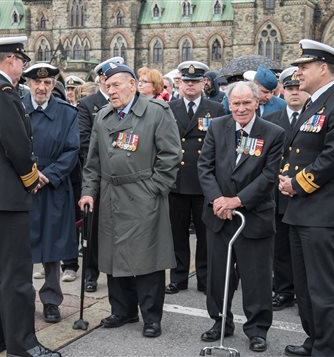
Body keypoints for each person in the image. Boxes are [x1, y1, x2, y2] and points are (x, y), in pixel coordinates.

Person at [0, 36, 60, 357]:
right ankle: (24, 346)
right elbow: (17, 145)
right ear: (10, 59)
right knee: (16, 274)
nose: (23, 67)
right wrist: (31, 178)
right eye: (22, 61)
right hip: (7, 193)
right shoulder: (3, 91)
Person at [78, 62, 182, 338]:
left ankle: (151, 317)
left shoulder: (156, 112)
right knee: (113, 255)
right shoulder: (102, 117)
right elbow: (93, 161)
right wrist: (88, 191)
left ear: (133, 85)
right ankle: (122, 310)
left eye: (115, 85)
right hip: (111, 195)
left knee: (147, 258)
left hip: (143, 194)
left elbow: (171, 155)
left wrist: (155, 188)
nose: (110, 91)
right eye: (106, 86)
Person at [278, 39, 334, 357]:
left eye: (304, 66)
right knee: (304, 285)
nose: (298, 71)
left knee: (323, 287)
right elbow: (297, 152)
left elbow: (332, 159)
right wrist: (285, 178)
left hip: (323, 212)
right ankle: (314, 339)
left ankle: (328, 350)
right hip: (300, 209)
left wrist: (295, 185)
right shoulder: (312, 105)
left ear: (323, 68)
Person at [198, 81, 285, 353]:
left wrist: (237, 200)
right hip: (219, 216)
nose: (241, 108)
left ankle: (257, 329)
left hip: (253, 216)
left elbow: (269, 176)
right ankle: (220, 322)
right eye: (235, 103)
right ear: (229, 104)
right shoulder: (217, 127)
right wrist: (217, 200)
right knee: (218, 275)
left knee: (256, 277)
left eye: (246, 102)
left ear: (257, 102)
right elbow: (205, 167)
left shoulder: (273, 133)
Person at [21, 63, 80, 323]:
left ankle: (51, 300)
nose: (41, 87)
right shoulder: (17, 108)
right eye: (37, 82)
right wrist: (28, 175)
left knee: (52, 247)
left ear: (53, 84)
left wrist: (49, 176)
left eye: (47, 83)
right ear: (29, 83)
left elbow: (72, 150)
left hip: (53, 187)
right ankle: (22, 298)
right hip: (22, 186)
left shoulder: (67, 113)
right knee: (21, 247)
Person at [166, 61, 225, 295]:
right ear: (179, 83)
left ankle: (204, 278)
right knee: (177, 233)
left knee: (205, 235)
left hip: (204, 182)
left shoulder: (217, 108)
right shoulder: (169, 108)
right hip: (177, 180)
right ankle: (178, 277)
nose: (191, 86)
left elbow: (221, 147)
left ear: (204, 83)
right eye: (186, 81)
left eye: (196, 81)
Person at [263, 66, 309, 311]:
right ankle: (283, 290)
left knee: (302, 249)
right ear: (282, 90)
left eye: (298, 88)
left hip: (305, 191)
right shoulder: (270, 120)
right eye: (289, 88)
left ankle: (303, 293)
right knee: (280, 246)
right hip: (277, 192)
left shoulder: (316, 118)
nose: (294, 93)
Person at [76, 56, 124, 293]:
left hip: (124, 180)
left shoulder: (130, 104)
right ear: (101, 80)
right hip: (99, 178)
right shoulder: (88, 104)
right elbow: (85, 142)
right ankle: (90, 274)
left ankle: (119, 274)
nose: (110, 84)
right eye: (107, 79)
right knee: (92, 231)